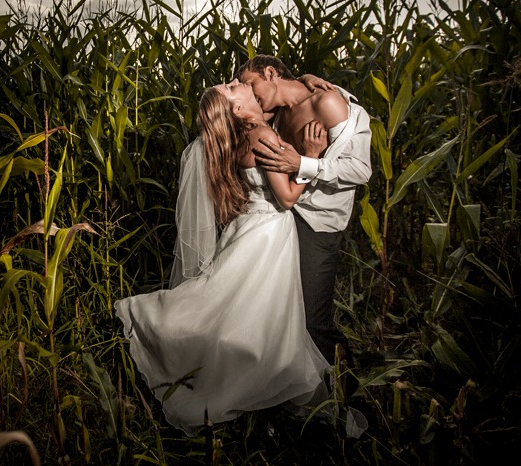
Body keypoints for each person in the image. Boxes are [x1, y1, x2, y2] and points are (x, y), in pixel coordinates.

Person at [114, 80, 331, 437]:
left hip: (246, 229)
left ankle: (243, 379)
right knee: (248, 316)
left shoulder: (237, 138)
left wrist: (303, 84)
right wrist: (313, 155)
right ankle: (157, 326)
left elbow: (276, 101)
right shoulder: (262, 135)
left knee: (234, 310)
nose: (239, 82)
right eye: (232, 87)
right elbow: (288, 198)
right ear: (235, 109)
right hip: (267, 236)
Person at [235, 55, 372, 376]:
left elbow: (360, 169)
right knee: (281, 311)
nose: (248, 91)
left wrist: (302, 164)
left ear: (270, 72)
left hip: (317, 222)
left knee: (313, 318)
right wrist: (306, 76)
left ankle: (346, 392)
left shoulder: (327, 103)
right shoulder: (277, 111)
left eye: (250, 83)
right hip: (281, 218)